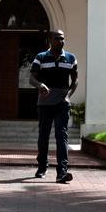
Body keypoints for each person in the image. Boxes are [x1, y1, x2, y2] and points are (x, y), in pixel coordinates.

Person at [30, 30, 79, 183]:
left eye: (62, 39)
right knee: (43, 136)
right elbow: (31, 78)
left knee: (61, 135)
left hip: (62, 103)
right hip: (44, 103)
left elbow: (75, 80)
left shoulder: (71, 58)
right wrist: (40, 85)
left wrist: (68, 95)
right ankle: (42, 166)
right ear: (50, 40)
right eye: (57, 38)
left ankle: (62, 172)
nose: (61, 41)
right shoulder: (41, 57)